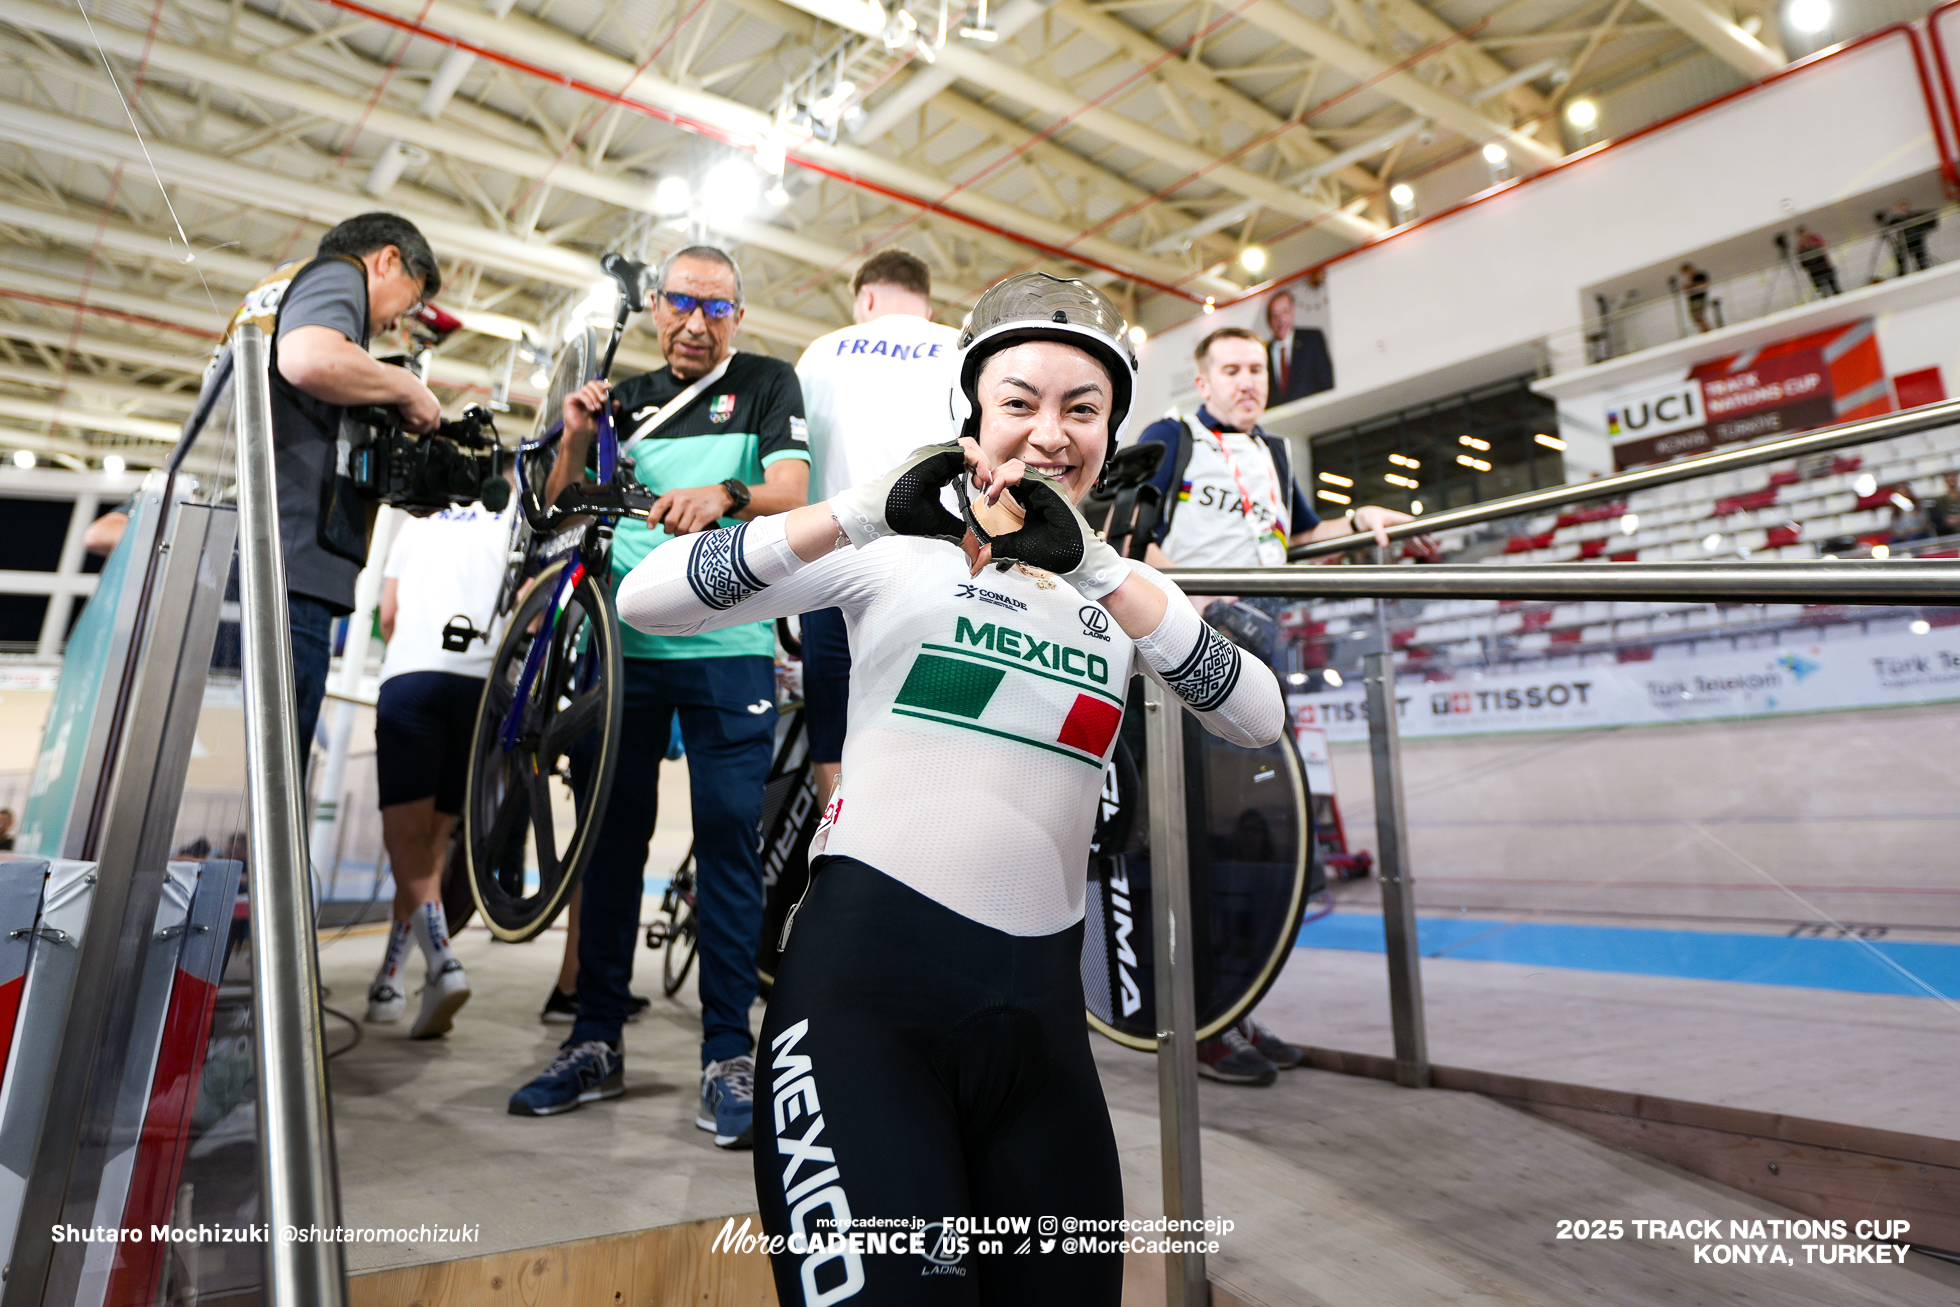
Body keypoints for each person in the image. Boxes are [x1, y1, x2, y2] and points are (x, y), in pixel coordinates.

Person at [615, 271, 1285, 1306]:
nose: (1049, 434)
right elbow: (649, 596)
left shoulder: (1117, 594)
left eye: (1082, 408)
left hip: (1041, 1032)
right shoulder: (892, 552)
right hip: (864, 1005)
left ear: (1112, 430)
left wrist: (1100, 568)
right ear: (972, 414)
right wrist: (851, 510)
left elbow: (1254, 712)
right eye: (1019, 402)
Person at [506, 245, 810, 1136]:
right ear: (656, 308)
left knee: (725, 840)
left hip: (731, 641)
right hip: (623, 649)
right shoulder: (622, 400)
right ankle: (595, 1038)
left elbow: (790, 490)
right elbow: (560, 510)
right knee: (611, 842)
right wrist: (571, 434)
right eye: (679, 302)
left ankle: (728, 1054)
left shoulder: (765, 383)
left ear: (738, 318)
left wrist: (724, 491)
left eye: (715, 307)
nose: (694, 320)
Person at [1132, 324, 1412, 1086]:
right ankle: (1195, 1020)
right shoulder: (1172, 435)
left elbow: (1305, 534)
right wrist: (1200, 590)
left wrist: (1362, 521)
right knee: (1199, 839)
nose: (1247, 381)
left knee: (1251, 840)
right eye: (1231, 369)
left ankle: (1235, 1008)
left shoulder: (1279, 452)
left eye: (1256, 369)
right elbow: (1133, 540)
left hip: (1269, 649)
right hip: (1195, 653)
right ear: (1203, 381)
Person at [260, 213, 444, 755]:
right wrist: (405, 387)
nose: (394, 325)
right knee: (277, 772)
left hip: (271, 555)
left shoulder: (280, 294)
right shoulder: (337, 274)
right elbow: (309, 359)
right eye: (407, 304)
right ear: (387, 260)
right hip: (292, 568)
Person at [793, 249, 958, 804]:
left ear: (865, 298)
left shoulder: (819, 354)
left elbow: (795, 465)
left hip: (834, 565)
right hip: (941, 571)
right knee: (934, 726)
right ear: (926, 303)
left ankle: (834, 866)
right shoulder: (962, 348)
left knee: (834, 732)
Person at [363, 498, 511, 1038]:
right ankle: (390, 979)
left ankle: (443, 963)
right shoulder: (504, 522)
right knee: (434, 840)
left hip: (414, 678)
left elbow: (389, 614)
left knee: (405, 840)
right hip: (480, 686)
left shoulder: (415, 527)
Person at [1264, 288, 1333, 404]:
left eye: (1284, 312)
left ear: (1292, 312)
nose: (1279, 320)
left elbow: (1326, 383)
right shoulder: (1263, 353)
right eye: (1274, 315)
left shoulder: (1312, 340)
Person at [1882, 200, 1939, 276]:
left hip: (1916, 240)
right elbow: (1889, 228)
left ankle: (1924, 273)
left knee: (1920, 259)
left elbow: (1926, 223)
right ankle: (1902, 275)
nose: (1903, 209)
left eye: (1904, 207)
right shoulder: (1896, 219)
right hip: (1904, 242)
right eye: (1901, 207)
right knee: (1901, 262)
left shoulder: (1914, 216)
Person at [1794, 227, 1841, 297]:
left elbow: (1824, 245)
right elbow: (1800, 256)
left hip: (1824, 265)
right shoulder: (1801, 245)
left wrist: (1814, 246)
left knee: (1834, 285)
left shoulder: (1815, 238)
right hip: (1814, 269)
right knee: (1821, 289)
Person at [1679, 262, 1712, 332]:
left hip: (1699, 298)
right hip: (1692, 299)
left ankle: (1707, 329)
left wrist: (1690, 286)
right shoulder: (1689, 279)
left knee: (1699, 315)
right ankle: (1704, 328)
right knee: (1694, 317)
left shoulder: (1699, 276)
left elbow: (1703, 284)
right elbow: (1686, 290)